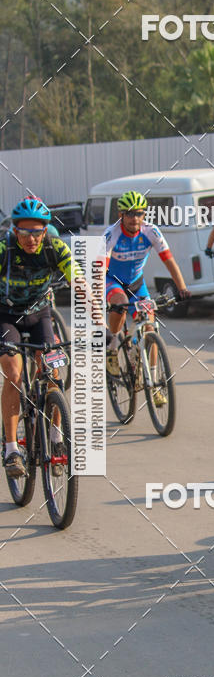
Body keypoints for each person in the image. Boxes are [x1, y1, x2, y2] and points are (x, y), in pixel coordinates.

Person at [0, 199, 82, 477]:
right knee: (14, 374)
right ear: (15, 231)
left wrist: (98, 319)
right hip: (6, 315)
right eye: (24, 232)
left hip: (39, 314)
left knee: (53, 371)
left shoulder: (54, 247)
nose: (31, 239)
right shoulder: (4, 249)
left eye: (37, 232)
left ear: (45, 231)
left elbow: (79, 282)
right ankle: (11, 450)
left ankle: (56, 435)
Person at [104, 191, 190, 403]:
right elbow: (100, 267)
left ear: (144, 215)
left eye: (139, 213)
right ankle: (112, 348)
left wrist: (182, 288)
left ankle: (154, 384)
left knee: (150, 328)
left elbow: (169, 261)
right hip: (113, 280)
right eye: (130, 214)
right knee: (120, 305)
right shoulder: (112, 234)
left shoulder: (151, 231)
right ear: (121, 215)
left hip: (136, 283)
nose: (135, 218)